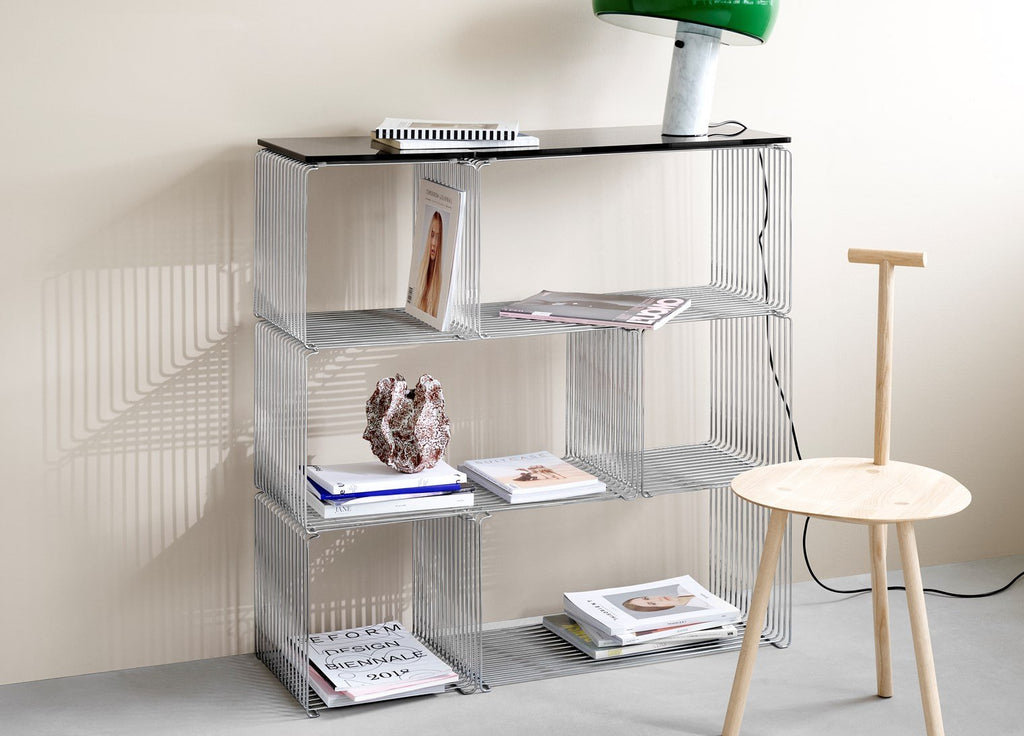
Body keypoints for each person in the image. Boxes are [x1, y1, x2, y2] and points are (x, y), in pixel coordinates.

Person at [413, 211, 443, 317]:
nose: (434, 243)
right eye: (432, 235)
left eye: (438, 237)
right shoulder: (418, 275)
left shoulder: (441, 285)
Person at [621, 594, 697, 612]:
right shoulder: (695, 609)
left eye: (646, 598)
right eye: (653, 604)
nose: (658, 599)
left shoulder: (681, 588)